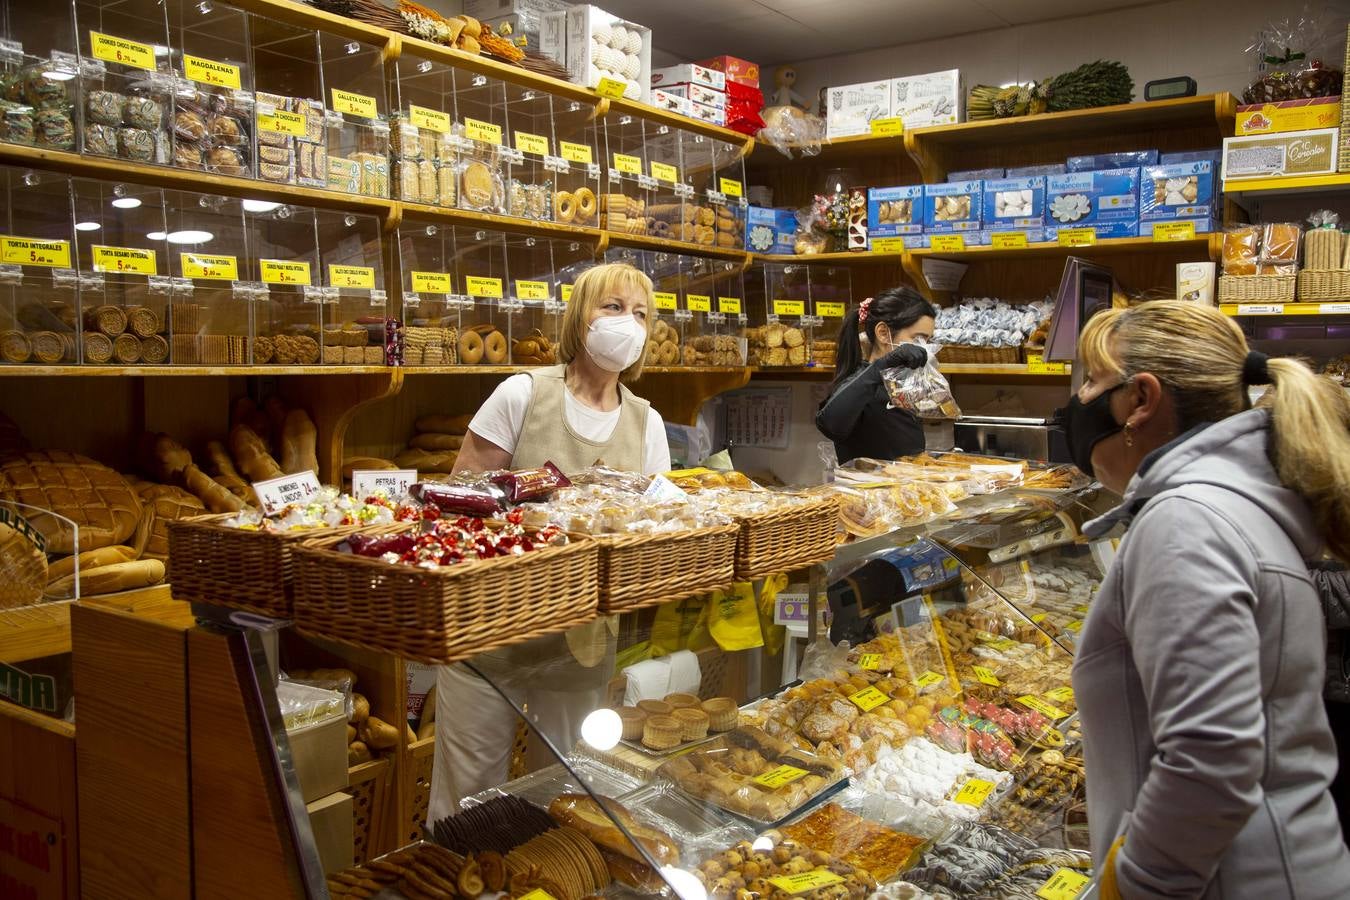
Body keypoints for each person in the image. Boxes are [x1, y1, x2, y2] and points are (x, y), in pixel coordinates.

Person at [1064, 301, 1350, 898]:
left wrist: (1130, 887)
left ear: (1140, 400)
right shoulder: (1227, 499)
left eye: (1090, 380)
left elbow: (1210, 759)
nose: (1079, 400)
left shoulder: (1187, 522)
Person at [429, 263, 671, 821]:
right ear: (579, 319)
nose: (626, 324)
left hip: (581, 646)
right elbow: (457, 503)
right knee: (469, 804)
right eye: (611, 308)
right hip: (490, 631)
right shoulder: (522, 394)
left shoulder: (647, 423)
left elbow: (651, 533)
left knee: (564, 794)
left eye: (640, 314)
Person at [815, 286, 936, 463]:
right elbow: (830, 424)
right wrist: (882, 366)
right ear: (882, 333)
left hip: (906, 487)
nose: (925, 347)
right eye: (918, 338)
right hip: (869, 489)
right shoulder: (860, 382)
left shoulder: (901, 385)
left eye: (928, 340)